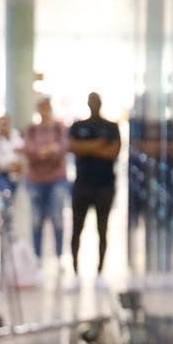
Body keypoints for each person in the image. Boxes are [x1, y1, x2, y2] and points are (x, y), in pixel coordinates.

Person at [67, 92, 121, 288]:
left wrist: (86, 148)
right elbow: (73, 147)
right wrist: (99, 145)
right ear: (88, 104)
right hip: (82, 185)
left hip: (104, 186)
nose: (94, 105)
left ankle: (100, 272)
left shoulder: (111, 127)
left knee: (102, 229)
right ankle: (74, 271)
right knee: (76, 229)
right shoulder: (77, 126)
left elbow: (113, 152)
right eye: (91, 102)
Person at [24, 97, 70, 270]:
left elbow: (63, 148)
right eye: (41, 107)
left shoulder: (59, 128)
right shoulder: (32, 130)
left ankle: (59, 256)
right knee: (36, 220)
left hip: (56, 179)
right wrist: (47, 150)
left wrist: (48, 151)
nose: (44, 111)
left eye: (46, 107)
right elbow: (29, 150)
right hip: (35, 180)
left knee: (57, 218)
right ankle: (36, 257)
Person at [0, 115, 24, 211]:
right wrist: (8, 166)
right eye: (2, 124)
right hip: (2, 174)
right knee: (7, 198)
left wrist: (16, 165)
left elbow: (22, 152)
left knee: (18, 201)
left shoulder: (16, 137)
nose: (4, 127)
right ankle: (8, 222)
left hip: (18, 174)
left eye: (6, 124)